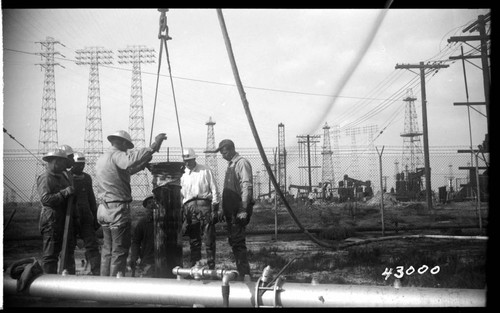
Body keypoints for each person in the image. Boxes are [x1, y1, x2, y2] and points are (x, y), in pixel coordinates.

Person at [95, 130, 167, 277]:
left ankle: (103, 290)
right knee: (119, 251)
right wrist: (153, 146)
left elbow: (125, 171)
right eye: (127, 146)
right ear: (122, 143)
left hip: (103, 209)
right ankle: (115, 292)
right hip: (116, 209)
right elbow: (130, 159)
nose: (128, 149)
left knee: (107, 250)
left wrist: (142, 165)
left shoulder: (103, 158)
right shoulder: (117, 155)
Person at [216, 139, 254, 279]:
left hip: (239, 210)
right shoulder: (230, 165)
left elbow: (246, 186)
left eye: (224, 152)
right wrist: (222, 208)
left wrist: (243, 208)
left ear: (231, 149)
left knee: (238, 242)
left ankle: (245, 276)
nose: (223, 155)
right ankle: (243, 273)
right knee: (234, 241)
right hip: (230, 210)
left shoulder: (241, 163)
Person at [180, 148, 221, 269]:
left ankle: (211, 266)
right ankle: (195, 266)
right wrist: (182, 211)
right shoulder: (182, 174)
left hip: (205, 206)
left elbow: (214, 189)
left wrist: (215, 208)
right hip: (189, 207)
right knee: (194, 240)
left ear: (194, 158)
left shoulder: (205, 170)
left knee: (209, 238)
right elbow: (180, 194)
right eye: (185, 160)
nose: (187, 163)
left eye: (189, 160)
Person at [36, 148, 76, 274]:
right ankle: (48, 287)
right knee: (50, 256)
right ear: (55, 161)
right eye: (63, 162)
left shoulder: (62, 177)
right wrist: (64, 193)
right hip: (51, 222)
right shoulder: (46, 178)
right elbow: (46, 199)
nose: (66, 164)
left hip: (63, 220)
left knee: (66, 253)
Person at [70, 152, 101, 275]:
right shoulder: (67, 177)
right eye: (78, 164)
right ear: (72, 164)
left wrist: (95, 215)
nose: (81, 167)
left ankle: (96, 271)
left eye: (83, 164)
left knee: (92, 245)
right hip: (72, 217)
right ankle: (68, 272)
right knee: (69, 246)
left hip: (86, 216)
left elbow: (91, 198)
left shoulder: (87, 178)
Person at [128, 194, 156, 277]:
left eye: (154, 202)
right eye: (149, 203)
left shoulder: (166, 222)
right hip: (148, 261)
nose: (152, 205)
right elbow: (135, 242)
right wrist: (134, 256)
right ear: (146, 207)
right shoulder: (142, 223)